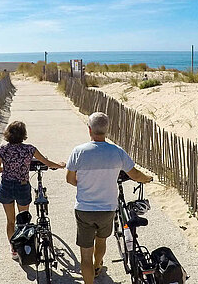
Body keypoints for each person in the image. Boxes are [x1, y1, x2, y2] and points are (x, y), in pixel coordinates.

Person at [66, 112, 152, 283]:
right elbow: (135, 174)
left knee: (85, 255)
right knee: (101, 241)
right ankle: (98, 265)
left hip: (84, 209)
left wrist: (84, 185)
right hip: (107, 209)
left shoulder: (79, 151)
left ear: (89, 129)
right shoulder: (116, 152)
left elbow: (70, 179)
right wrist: (147, 179)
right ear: (107, 130)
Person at [0, 121, 65, 260]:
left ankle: (14, 249)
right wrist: (60, 165)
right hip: (22, 186)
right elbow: (47, 163)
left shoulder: (2, 150)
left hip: (6, 187)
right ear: (23, 135)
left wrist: (8, 168)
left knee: (10, 221)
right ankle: (24, 247)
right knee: (23, 221)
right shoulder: (29, 149)